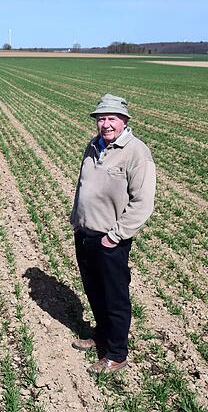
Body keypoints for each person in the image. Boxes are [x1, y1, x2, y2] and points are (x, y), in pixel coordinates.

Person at [70, 93, 156, 374]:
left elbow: (143, 203)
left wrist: (115, 237)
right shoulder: (93, 146)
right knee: (94, 291)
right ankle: (101, 336)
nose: (106, 124)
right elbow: (83, 186)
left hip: (110, 240)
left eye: (112, 118)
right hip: (85, 234)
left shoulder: (136, 152)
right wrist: (76, 219)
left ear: (124, 121)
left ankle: (117, 353)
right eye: (101, 118)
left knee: (115, 298)